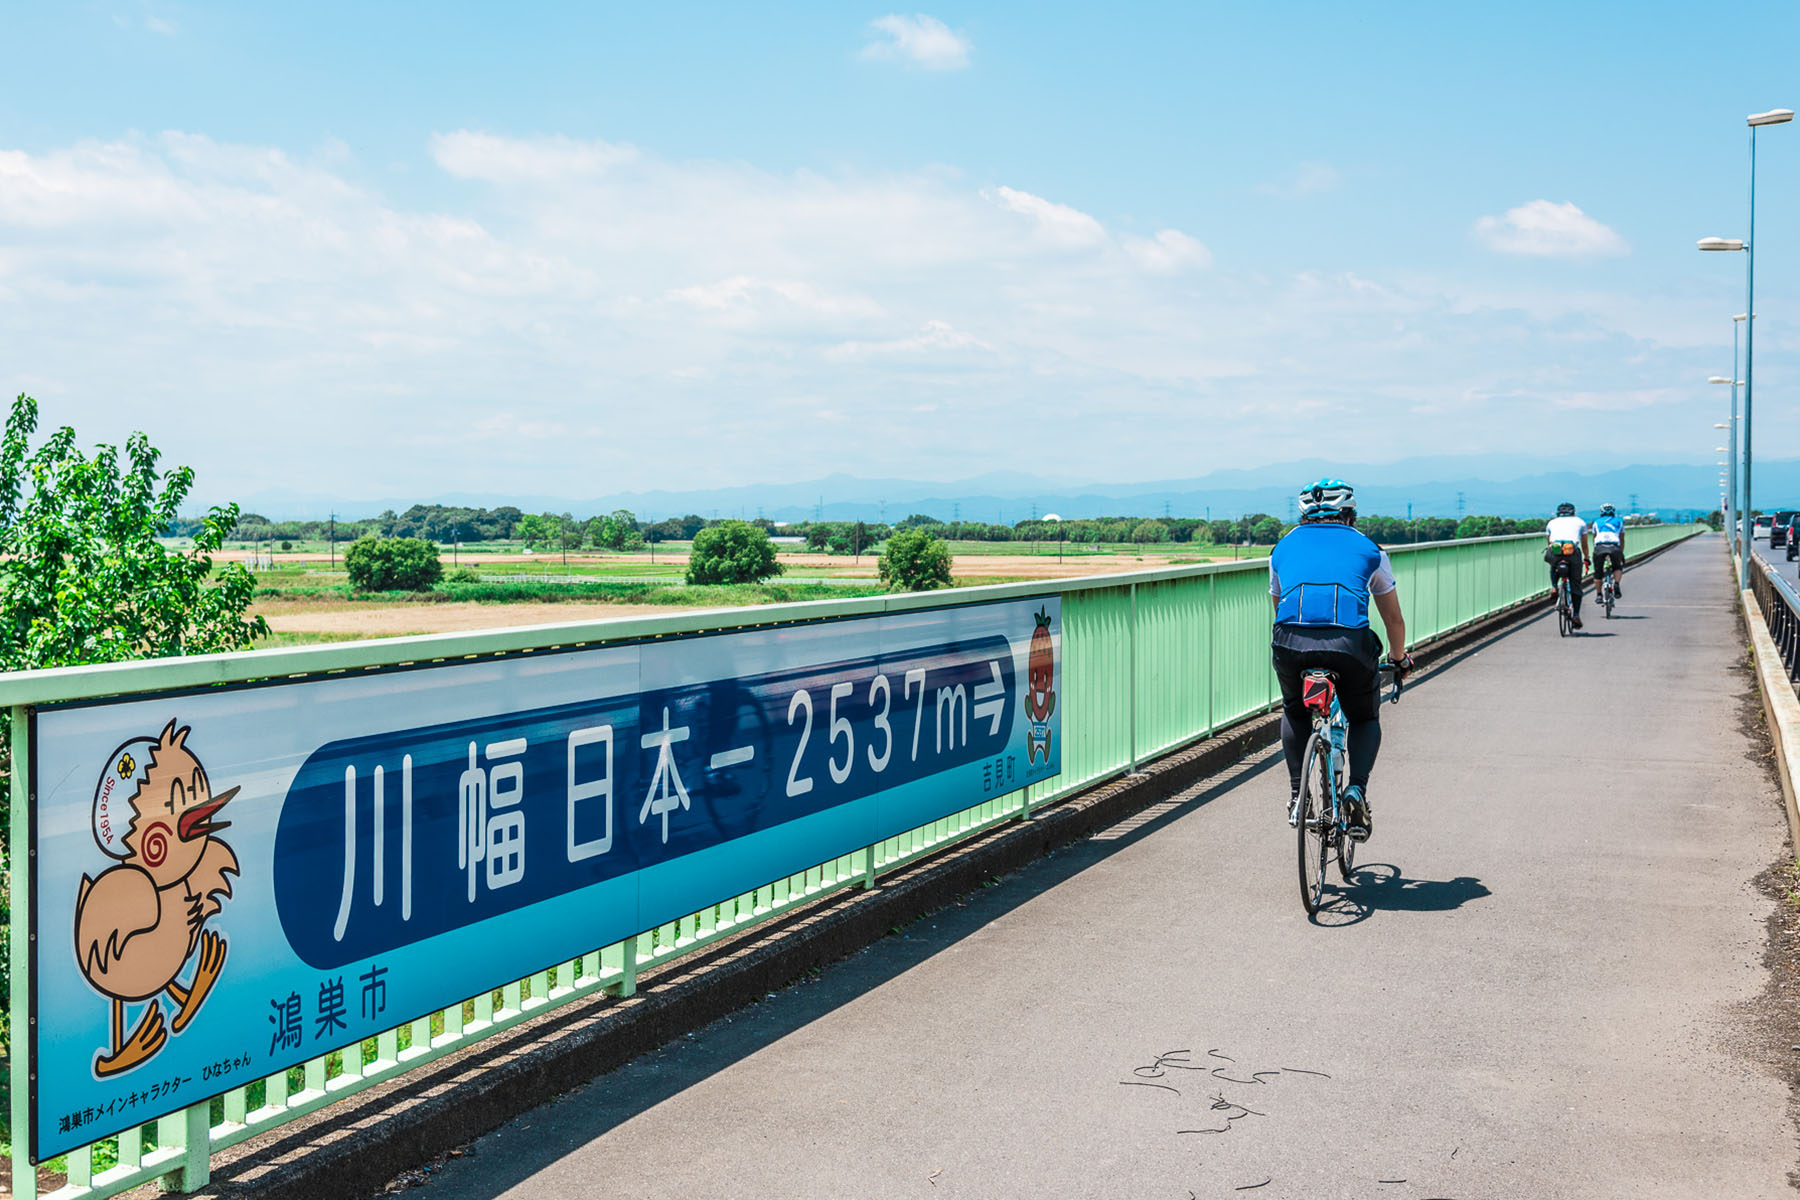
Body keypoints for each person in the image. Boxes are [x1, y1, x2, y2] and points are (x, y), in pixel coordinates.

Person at [1269, 479, 1412, 842]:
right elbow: (1393, 619)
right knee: (1363, 716)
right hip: (1349, 645)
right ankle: (1355, 790)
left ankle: (1298, 794)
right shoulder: (1370, 550)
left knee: (1295, 709)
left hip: (1289, 642)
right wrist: (1398, 659)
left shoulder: (1281, 549)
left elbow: (1279, 608)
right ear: (1349, 514)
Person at [1544, 502, 1590, 630]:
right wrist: (1586, 558)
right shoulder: (1580, 522)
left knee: (1553, 564)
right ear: (1573, 512)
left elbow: (1549, 543)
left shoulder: (1551, 523)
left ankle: (1554, 587)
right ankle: (1576, 615)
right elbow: (1585, 545)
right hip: (1572, 553)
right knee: (1576, 584)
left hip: (1556, 551)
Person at [1591, 504, 1625, 600]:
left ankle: (1599, 594)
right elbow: (1621, 538)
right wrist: (1621, 552)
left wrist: (1595, 550)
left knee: (1598, 572)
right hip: (1614, 546)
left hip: (1600, 547)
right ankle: (1617, 584)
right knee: (1617, 566)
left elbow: (1594, 538)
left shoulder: (1596, 522)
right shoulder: (1619, 521)